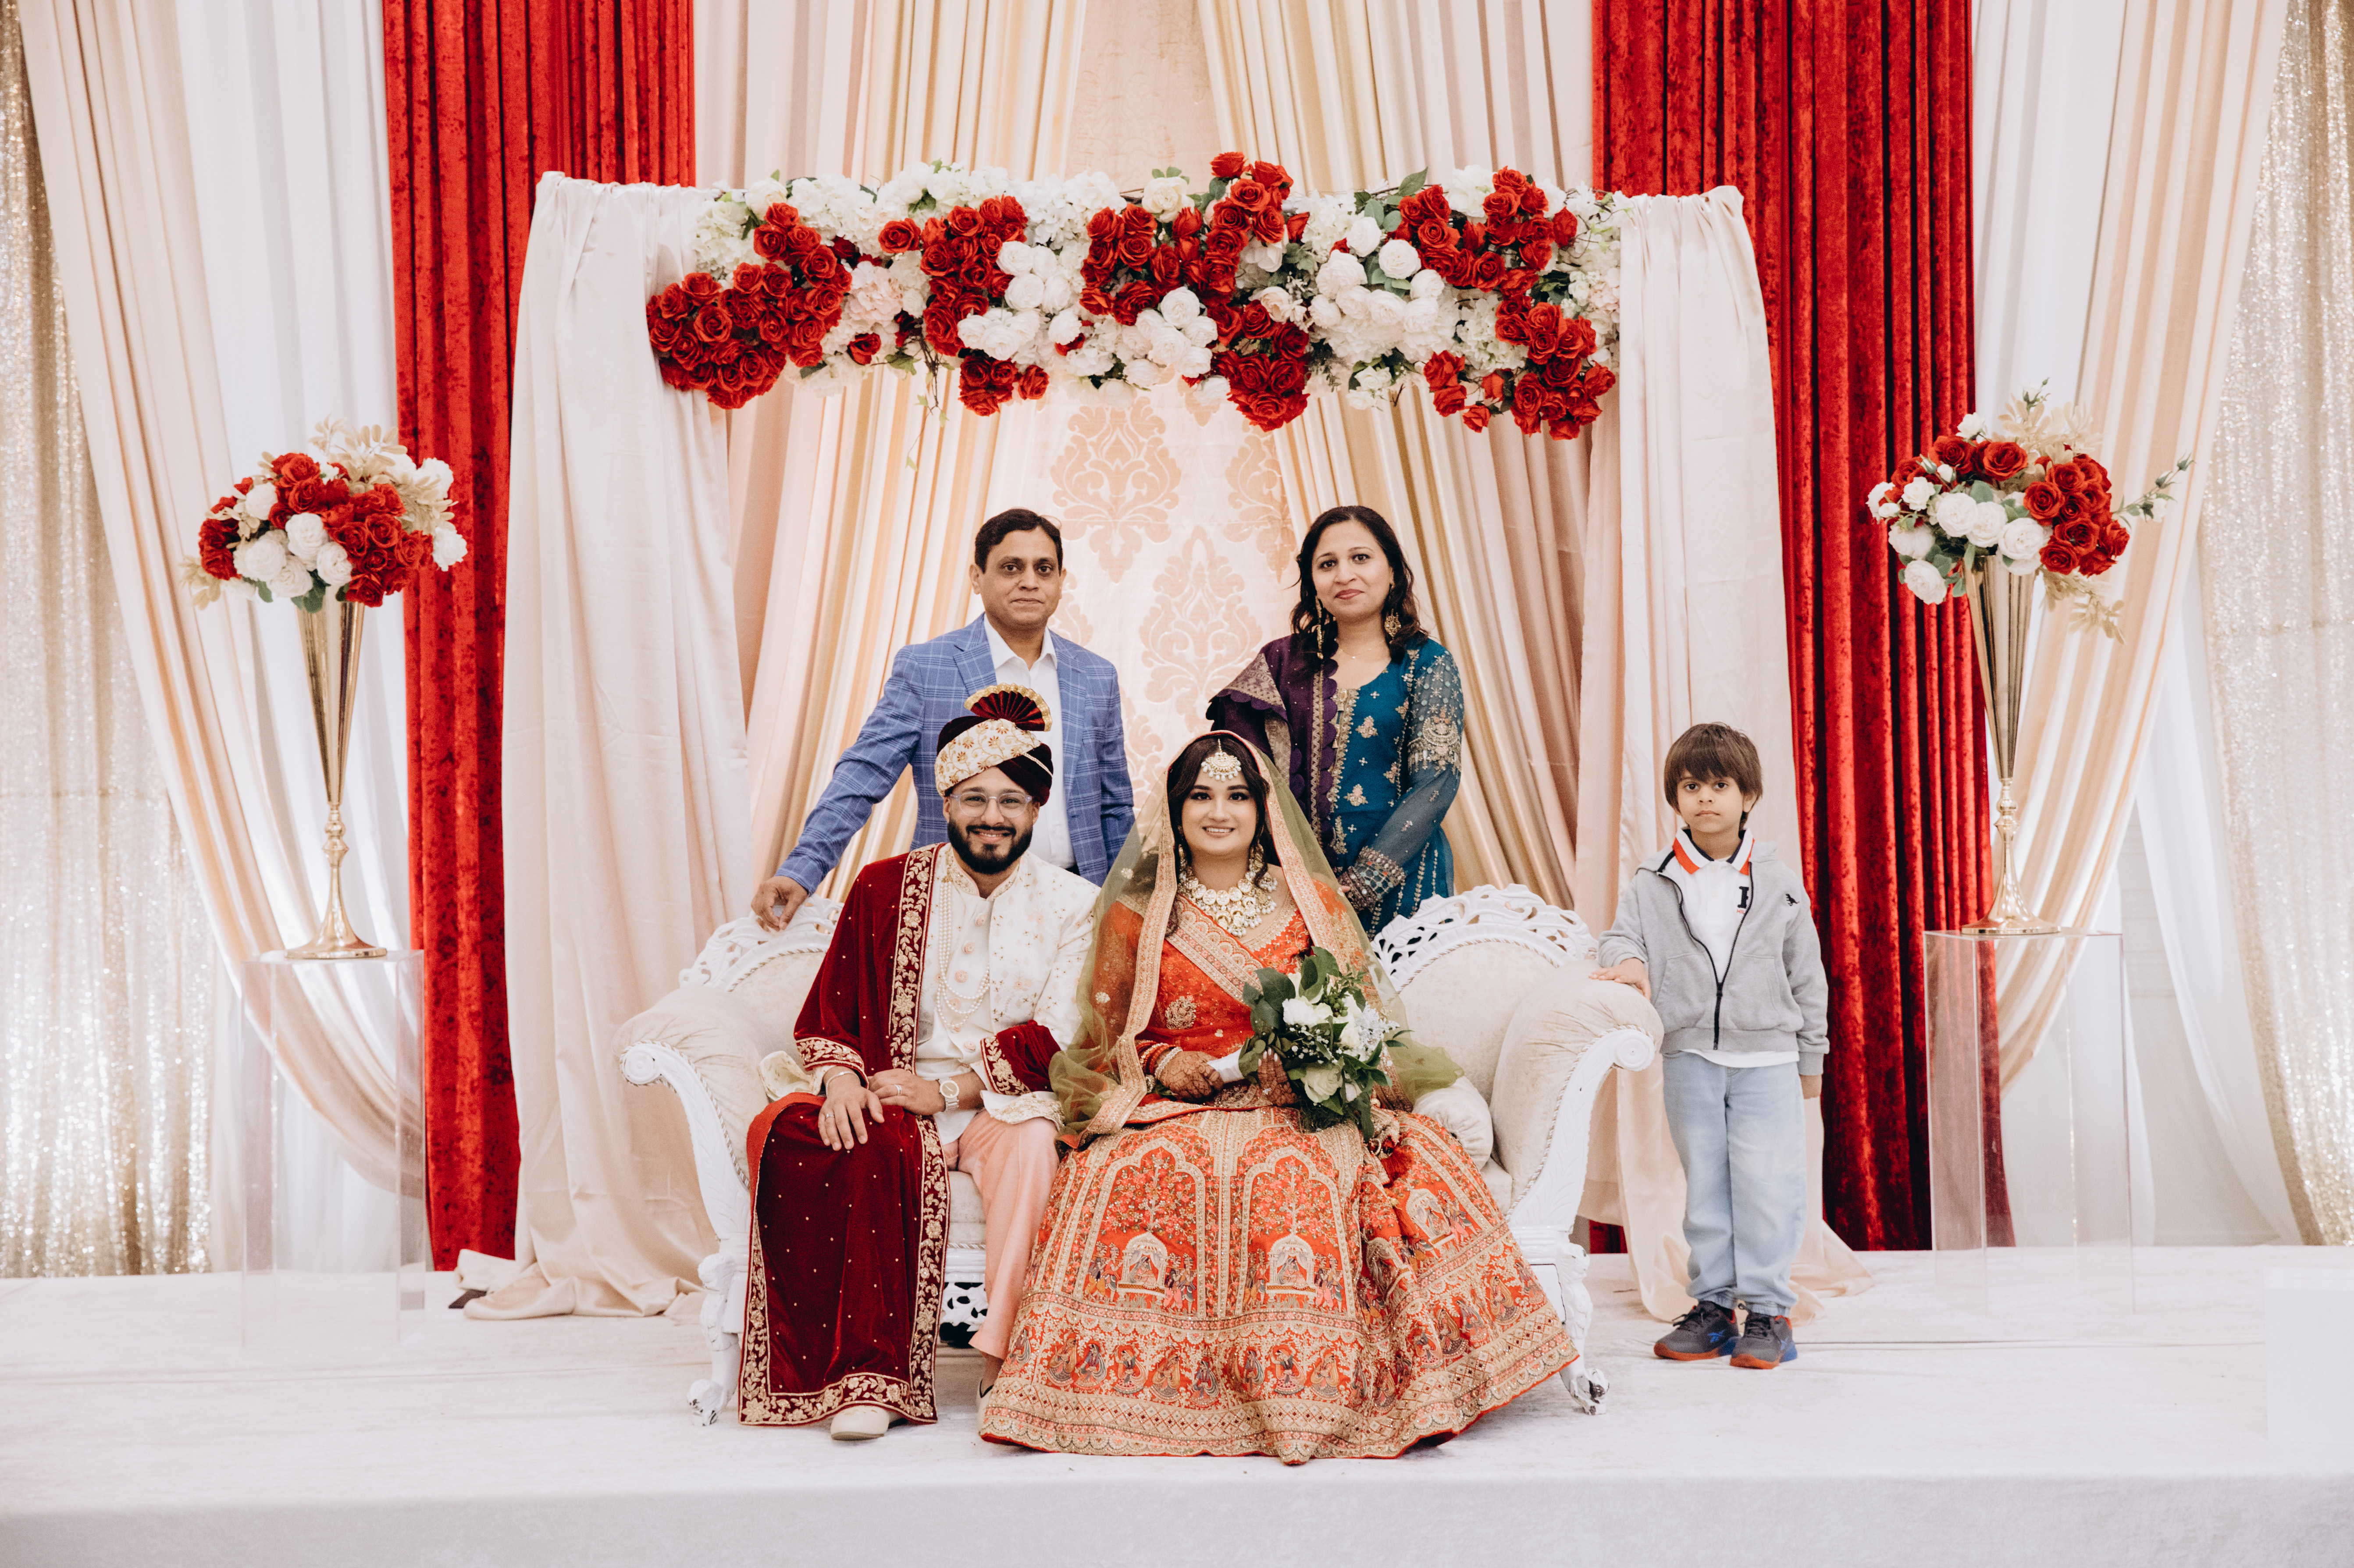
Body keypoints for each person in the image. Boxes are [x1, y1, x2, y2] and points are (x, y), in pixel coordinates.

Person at [977, 733, 1575, 1462]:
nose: (1218, 811)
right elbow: (1105, 1038)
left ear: (1263, 810)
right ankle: (1155, 1387)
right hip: (1176, 1106)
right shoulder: (1136, 914)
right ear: (1175, 810)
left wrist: (1310, 1062)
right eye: (1200, 795)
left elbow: (1355, 1016)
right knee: (1124, 1173)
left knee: (1303, 1175)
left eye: (1236, 795)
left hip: (1296, 1100)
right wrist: (1162, 1061)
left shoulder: (1311, 905)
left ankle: (1311, 1389)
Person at [737, 689, 1097, 1440]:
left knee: (1034, 1145)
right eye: (974, 798)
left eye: (1010, 800)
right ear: (946, 801)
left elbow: (1061, 1032)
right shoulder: (884, 887)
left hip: (1006, 1099)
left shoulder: (1074, 904)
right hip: (892, 1088)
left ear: (1036, 809)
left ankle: (1007, 1364)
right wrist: (841, 1079)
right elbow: (830, 1012)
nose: (992, 816)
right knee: (848, 1138)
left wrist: (951, 1089)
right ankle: (867, 1379)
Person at [752, 508, 1134, 930]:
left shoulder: (1095, 676)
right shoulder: (926, 667)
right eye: (1011, 567)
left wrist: (1132, 905)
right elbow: (861, 778)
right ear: (977, 577)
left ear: (1061, 579)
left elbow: (1115, 807)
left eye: (1043, 568)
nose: (1029, 581)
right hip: (956, 903)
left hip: (1077, 905)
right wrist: (801, 869)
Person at [1590, 722, 1827, 1371]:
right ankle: (1715, 1307)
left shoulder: (1779, 880)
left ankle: (1768, 1313)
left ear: (1747, 795)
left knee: (1767, 1185)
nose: (1704, 798)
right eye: (1691, 786)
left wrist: (1811, 1058)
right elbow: (1617, 938)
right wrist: (1630, 961)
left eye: (1720, 785)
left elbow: (1807, 974)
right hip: (1689, 1055)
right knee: (1704, 1187)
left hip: (1768, 1058)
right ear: (1675, 797)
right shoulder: (1653, 879)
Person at [1206, 505, 1462, 935]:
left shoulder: (1427, 664)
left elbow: (1435, 783)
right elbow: (1233, 768)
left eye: (1360, 558)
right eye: (1327, 564)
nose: (1344, 575)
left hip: (1404, 883)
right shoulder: (1281, 662)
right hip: (1298, 888)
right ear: (1312, 583)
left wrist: (1363, 883)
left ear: (1393, 571)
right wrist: (1278, 873)